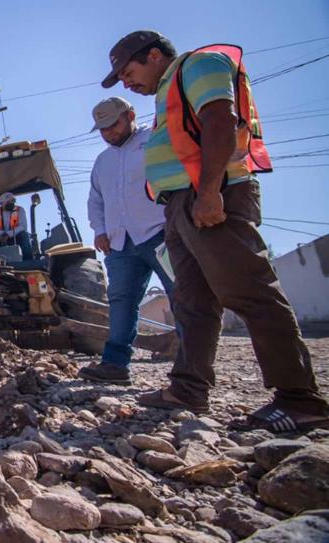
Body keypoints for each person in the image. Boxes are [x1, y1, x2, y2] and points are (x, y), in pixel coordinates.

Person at [101, 30, 328, 430]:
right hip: (178, 205)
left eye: (127, 71)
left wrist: (208, 192)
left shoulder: (199, 65)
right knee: (192, 302)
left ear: (154, 55)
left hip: (209, 196)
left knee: (249, 290)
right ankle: (188, 388)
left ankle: (299, 398)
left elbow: (220, 121)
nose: (126, 82)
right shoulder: (167, 89)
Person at [78, 96, 176, 385]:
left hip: (161, 236)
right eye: (103, 129)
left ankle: (190, 365)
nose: (109, 133)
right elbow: (96, 200)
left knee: (181, 295)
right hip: (120, 244)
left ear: (130, 114)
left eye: (114, 125)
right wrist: (100, 230)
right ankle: (115, 364)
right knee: (121, 301)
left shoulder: (155, 141)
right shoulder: (102, 161)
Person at [0, 192, 33, 260]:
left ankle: (28, 261)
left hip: (15, 237)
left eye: (13, 201)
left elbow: (23, 226)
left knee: (24, 235)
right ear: (1, 204)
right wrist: (1, 234)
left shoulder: (20, 210)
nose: (11, 203)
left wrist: (8, 234)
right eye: (8, 202)